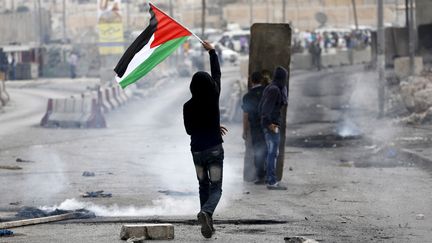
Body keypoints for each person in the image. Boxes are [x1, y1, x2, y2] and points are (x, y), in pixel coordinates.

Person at [183, 41, 228, 239]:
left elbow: (189, 130)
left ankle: (205, 222)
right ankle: (207, 213)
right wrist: (212, 52)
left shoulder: (187, 106)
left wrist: (207, 126)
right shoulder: (213, 97)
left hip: (197, 152)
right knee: (216, 187)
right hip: (214, 149)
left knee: (203, 185)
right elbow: (217, 74)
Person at [259, 66, 288, 190]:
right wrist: (269, 124)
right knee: (272, 153)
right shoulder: (274, 90)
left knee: (271, 153)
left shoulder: (273, 88)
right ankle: (271, 181)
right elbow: (264, 109)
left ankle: (270, 178)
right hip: (272, 126)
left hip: (272, 125)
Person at [242, 71, 267, 184]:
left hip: (255, 127)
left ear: (251, 81)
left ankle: (260, 176)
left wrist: (245, 130)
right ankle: (270, 174)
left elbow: (246, 114)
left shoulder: (248, 96)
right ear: (262, 80)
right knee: (269, 150)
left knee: (258, 150)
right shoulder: (267, 92)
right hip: (268, 125)